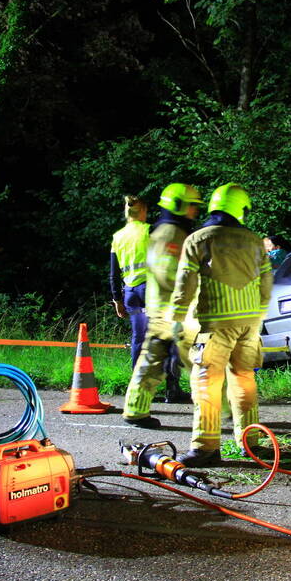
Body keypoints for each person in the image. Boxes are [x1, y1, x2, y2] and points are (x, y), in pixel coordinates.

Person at [170, 183, 273, 466]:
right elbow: (266, 283)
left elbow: (184, 284)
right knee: (244, 380)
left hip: (215, 324)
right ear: (240, 208)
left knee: (206, 383)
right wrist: (258, 316)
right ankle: (250, 443)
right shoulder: (254, 240)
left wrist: (177, 320)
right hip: (249, 325)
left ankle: (205, 448)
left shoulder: (199, 239)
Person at [122, 183, 204, 428]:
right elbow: (171, 273)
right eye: (191, 206)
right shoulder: (170, 233)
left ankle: (135, 411)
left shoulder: (169, 230)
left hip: (164, 310)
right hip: (174, 311)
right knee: (202, 363)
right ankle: (223, 410)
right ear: (179, 205)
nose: (194, 212)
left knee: (151, 363)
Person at [110, 195, 150, 367]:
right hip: (150, 290)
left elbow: (113, 273)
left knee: (138, 338)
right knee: (164, 337)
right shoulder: (150, 230)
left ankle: (137, 387)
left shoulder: (118, 237)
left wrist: (117, 299)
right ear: (142, 211)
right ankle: (172, 390)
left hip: (130, 293)